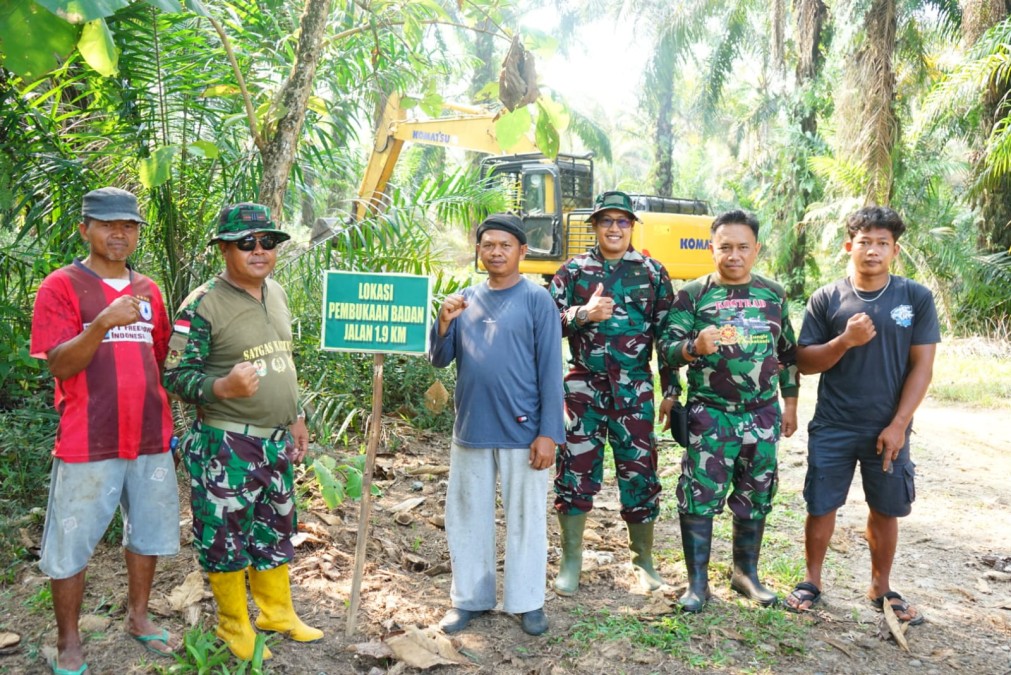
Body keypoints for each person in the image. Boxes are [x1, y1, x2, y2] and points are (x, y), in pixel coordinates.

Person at [30, 187, 180, 675]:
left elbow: (156, 359)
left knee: (149, 533)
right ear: (85, 229)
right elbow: (58, 364)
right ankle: (69, 640)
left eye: (130, 225)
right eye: (108, 224)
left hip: (151, 437)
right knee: (70, 541)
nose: (120, 233)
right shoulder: (61, 286)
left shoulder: (150, 290)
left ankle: (139, 618)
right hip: (87, 439)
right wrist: (101, 325)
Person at [162, 203, 322, 661]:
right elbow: (173, 375)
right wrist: (221, 386)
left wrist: (295, 415)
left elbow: (283, 360)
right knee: (224, 536)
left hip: (274, 440)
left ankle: (277, 613)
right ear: (224, 249)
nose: (259, 251)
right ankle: (235, 627)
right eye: (247, 243)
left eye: (268, 242)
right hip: (226, 443)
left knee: (275, 530)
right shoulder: (203, 303)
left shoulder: (277, 293)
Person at [785, 206, 939, 625]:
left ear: (895, 250)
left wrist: (899, 425)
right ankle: (811, 582)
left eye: (882, 243)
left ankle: (880, 586)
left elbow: (922, 367)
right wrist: (844, 341)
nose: (873, 251)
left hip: (886, 426)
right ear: (848, 246)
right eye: (865, 242)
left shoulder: (915, 298)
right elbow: (804, 361)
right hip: (833, 424)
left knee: (885, 508)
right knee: (821, 505)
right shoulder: (826, 298)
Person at [429, 214, 565, 636]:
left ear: (522, 252)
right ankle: (470, 598)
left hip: (524, 432)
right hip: (471, 427)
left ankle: (527, 602)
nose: (496, 252)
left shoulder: (537, 300)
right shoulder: (465, 298)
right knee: (467, 515)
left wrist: (548, 433)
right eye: (488, 245)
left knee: (526, 518)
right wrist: (444, 322)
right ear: (479, 251)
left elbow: (550, 371)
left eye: (505, 245)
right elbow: (439, 358)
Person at [660, 209, 799, 613]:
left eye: (742, 247)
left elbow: (787, 353)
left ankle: (745, 574)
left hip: (762, 413)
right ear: (712, 248)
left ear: (756, 249)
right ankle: (697, 584)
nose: (733, 255)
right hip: (712, 413)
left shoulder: (774, 293)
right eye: (725, 247)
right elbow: (666, 349)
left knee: (756, 493)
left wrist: (790, 402)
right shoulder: (694, 294)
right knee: (699, 495)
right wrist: (693, 348)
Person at [549, 190, 677, 596]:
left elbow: (667, 336)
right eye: (607, 221)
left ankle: (643, 561)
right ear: (595, 226)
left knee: (640, 474)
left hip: (635, 391)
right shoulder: (572, 272)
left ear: (632, 227)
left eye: (623, 221)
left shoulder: (653, 273)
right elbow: (546, 323)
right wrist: (582, 313)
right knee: (574, 473)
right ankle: (571, 561)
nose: (615, 228)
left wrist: (671, 390)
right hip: (583, 389)